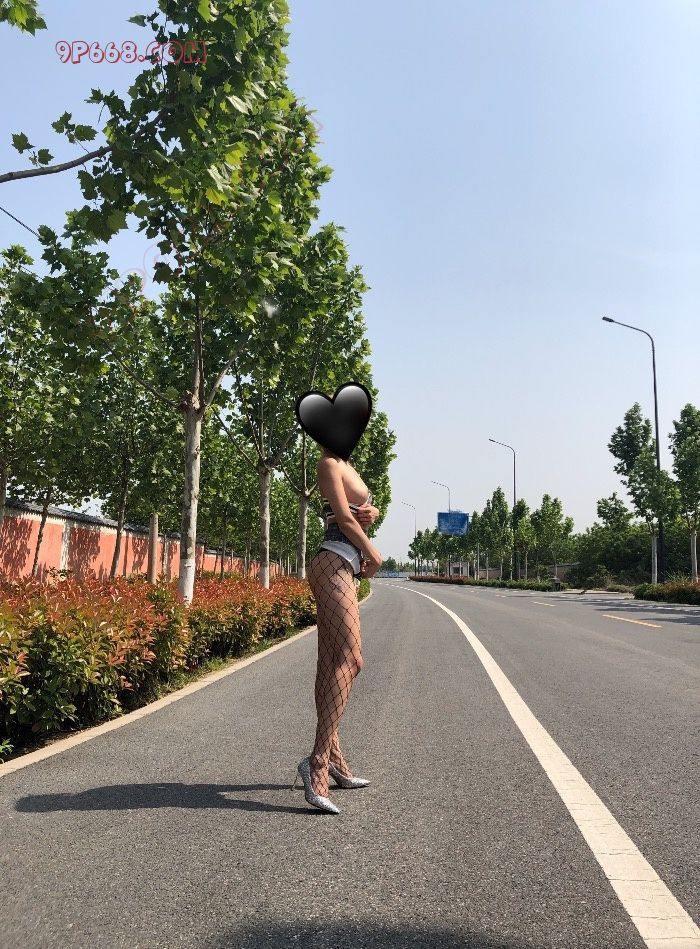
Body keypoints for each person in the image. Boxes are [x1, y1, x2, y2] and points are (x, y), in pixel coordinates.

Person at [292, 446, 382, 814]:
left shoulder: (348, 464)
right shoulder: (328, 463)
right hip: (332, 562)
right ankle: (317, 762)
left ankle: (336, 759)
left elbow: (350, 513)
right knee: (351, 659)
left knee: (330, 663)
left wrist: (371, 514)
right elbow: (342, 519)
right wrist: (373, 553)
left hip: (344, 566)